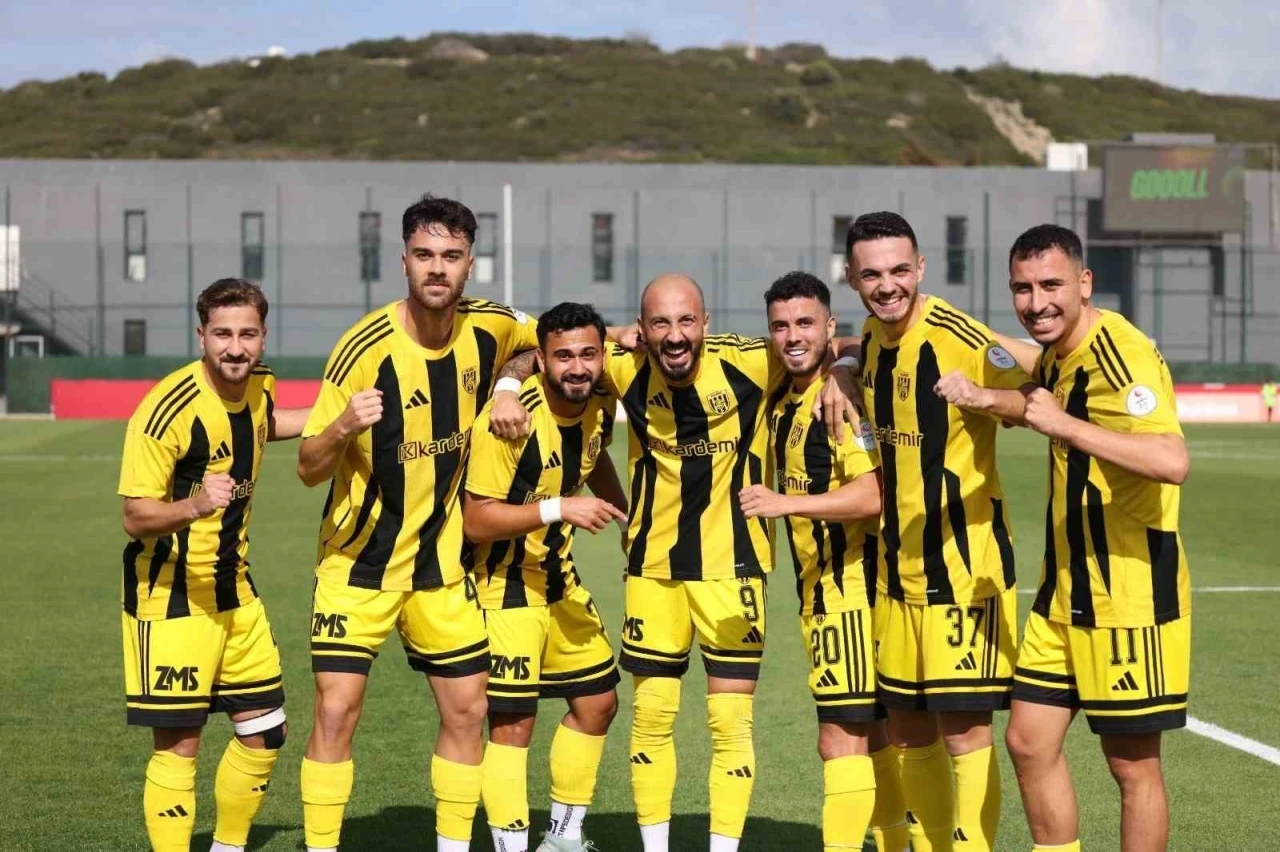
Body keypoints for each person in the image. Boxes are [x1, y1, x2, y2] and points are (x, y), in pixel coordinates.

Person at [579, 272, 859, 852]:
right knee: (651, 717)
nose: (675, 335)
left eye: (687, 320)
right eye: (660, 323)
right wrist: (602, 338)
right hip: (653, 570)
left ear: (706, 323)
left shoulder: (751, 361)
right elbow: (549, 344)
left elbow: (842, 342)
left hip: (736, 570)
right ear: (643, 328)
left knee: (731, 723)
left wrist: (844, 370)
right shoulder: (623, 365)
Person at [295, 194, 540, 852]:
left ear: (470, 265)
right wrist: (343, 426)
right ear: (403, 261)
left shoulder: (491, 325)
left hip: (441, 568)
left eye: (451, 256)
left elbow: (539, 340)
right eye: (425, 255)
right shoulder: (362, 348)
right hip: (357, 566)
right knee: (336, 711)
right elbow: (308, 467)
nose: (438, 268)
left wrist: (508, 385)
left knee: (469, 709)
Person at [996, 224, 1191, 852]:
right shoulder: (1060, 350)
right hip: (1062, 591)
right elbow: (1022, 363)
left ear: (1084, 283)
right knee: (1029, 742)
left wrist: (1064, 425)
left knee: (1132, 767)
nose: (1036, 303)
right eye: (1022, 288)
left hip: (1128, 594)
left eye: (1051, 285)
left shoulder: (1120, 354)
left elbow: (1171, 461)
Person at [845, 212, 1035, 852]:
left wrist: (985, 398)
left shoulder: (957, 335)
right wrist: (841, 368)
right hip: (896, 573)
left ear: (921, 268)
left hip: (964, 568)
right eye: (872, 274)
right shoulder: (871, 337)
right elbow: (851, 347)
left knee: (964, 731)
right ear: (853, 278)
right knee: (907, 728)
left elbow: (1034, 391)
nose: (888, 285)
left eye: (900, 270)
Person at [118, 278, 310, 852]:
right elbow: (135, 516)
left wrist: (338, 418)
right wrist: (195, 505)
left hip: (236, 592)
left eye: (247, 334)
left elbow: (265, 421)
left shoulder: (259, 384)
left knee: (265, 732)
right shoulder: (167, 409)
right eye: (222, 334)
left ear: (263, 336)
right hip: (171, 596)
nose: (235, 347)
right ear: (201, 335)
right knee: (180, 745)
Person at [737, 271, 912, 852]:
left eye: (806, 323)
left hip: (849, 593)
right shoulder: (783, 395)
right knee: (877, 736)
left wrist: (785, 503)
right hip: (822, 594)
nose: (793, 336)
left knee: (839, 741)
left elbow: (872, 494)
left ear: (828, 326)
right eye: (781, 326)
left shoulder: (835, 404)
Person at [463, 301, 630, 852]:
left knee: (597, 703)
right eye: (563, 357)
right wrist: (560, 508)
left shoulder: (600, 400)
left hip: (559, 580)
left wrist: (623, 515)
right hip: (502, 585)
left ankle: (563, 839)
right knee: (513, 725)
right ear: (541, 359)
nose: (577, 368)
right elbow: (475, 520)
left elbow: (593, 455)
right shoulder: (510, 421)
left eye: (588, 354)